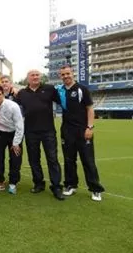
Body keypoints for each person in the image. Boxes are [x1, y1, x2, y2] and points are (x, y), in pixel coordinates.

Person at [56, 65, 105, 201]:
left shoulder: (82, 89)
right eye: (63, 74)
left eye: (68, 73)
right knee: (69, 160)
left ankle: (95, 189)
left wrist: (90, 127)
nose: (66, 76)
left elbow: (90, 109)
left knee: (88, 161)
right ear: (60, 76)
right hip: (67, 131)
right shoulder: (59, 90)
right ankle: (71, 185)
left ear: (73, 73)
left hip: (83, 131)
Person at [16, 69, 64, 200]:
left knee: (52, 159)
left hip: (48, 130)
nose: (35, 77)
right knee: (34, 159)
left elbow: (63, 101)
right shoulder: (21, 93)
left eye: (37, 75)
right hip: (30, 131)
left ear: (41, 77)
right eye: (32, 75)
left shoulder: (49, 89)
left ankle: (56, 186)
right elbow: (13, 107)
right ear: (28, 78)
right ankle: (38, 183)